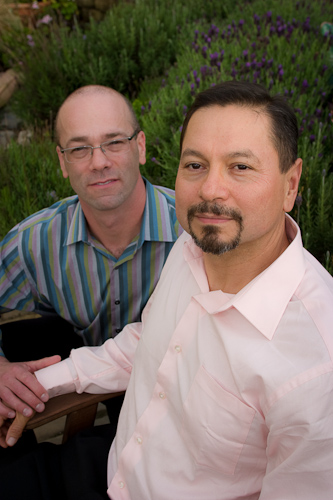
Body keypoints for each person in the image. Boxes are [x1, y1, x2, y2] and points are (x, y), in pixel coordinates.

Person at [2, 80, 333, 500]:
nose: (210, 190)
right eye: (195, 165)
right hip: (114, 464)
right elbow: (151, 338)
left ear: (291, 185)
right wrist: (43, 383)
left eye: (240, 167)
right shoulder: (191, 244)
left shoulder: (316, 371)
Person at [0, 85, 182, 426]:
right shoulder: (35, 242)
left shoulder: (191, 231)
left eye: (114, 142)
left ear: (140, 147)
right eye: (80, 148)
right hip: (82, 375)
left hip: (176, 398)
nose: (99, 162)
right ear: (63, 161)